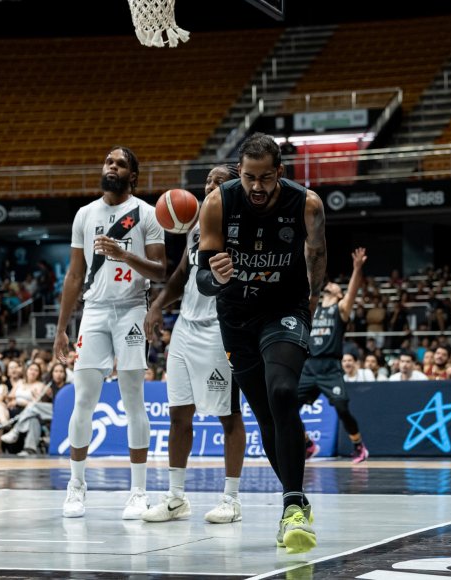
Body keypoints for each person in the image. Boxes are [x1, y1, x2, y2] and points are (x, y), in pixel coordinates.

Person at [196, 132, 325, 554]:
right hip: (236, 317)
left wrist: (312, 300)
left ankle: (291, 506)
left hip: (284, 309)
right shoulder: (217, 202)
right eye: (249, 177)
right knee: (266, 415)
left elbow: (318, 254)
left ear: (280, 174)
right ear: (240, 173)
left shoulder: (306, 203)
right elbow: (202, 278)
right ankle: (297, 499)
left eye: (265, 178)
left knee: (283, 391)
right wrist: (216, 275)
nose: (256, 187)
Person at [53, 145, 166, 519]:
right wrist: (61, 328)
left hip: (132, 309)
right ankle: (76, 486)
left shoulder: (148, 214)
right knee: (83, 398)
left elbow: (161, 271)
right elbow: (73, 275)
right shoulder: (85, 214)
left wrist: (125, 255)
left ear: (132, 175)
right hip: (95, 311)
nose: (112, 166)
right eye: (108, 161)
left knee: (134, 399)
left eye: (120, 164)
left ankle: (138, 492)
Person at [139, 164, 247, 524]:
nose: (211, 186)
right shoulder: (195, 227)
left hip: (220, 329)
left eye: (220, 181)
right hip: (185, 327)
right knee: (178, 414)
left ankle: (231, 499)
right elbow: (181, 275)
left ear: (234, 188)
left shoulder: (242, 226)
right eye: (208, 181)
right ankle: (176, 498)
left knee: (227, 415)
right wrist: (156, 306)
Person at [298, 248, 369, 463]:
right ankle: (307, 444)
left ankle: (358, 446)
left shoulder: (340, 309)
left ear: (338, 294)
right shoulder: (313, 308)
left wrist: (357, 269)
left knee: (341, 407)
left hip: (330, 367)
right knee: (285, 408)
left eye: (332, 286)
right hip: (309, 366)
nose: (329, 285)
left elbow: (353, 291)